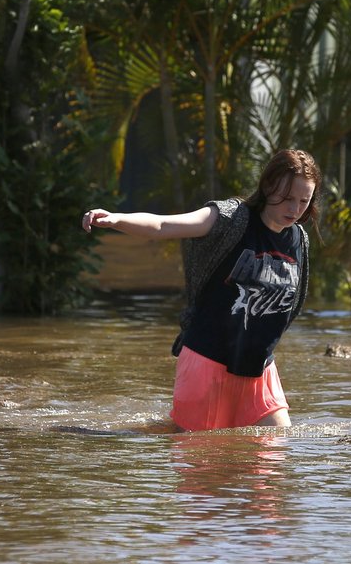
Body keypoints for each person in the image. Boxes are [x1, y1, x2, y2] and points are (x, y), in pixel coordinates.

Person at [81, 149, 321, 432]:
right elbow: (163, 225)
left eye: (303, 201)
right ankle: (107, 431)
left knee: (275, 449)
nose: (294, 209)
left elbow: (289, 305)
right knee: (203, 459)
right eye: (287, 198)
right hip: (208, 360)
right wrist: (116, 219)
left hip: (258, 368)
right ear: (268, 187)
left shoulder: (298, 240)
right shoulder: (232, 219)